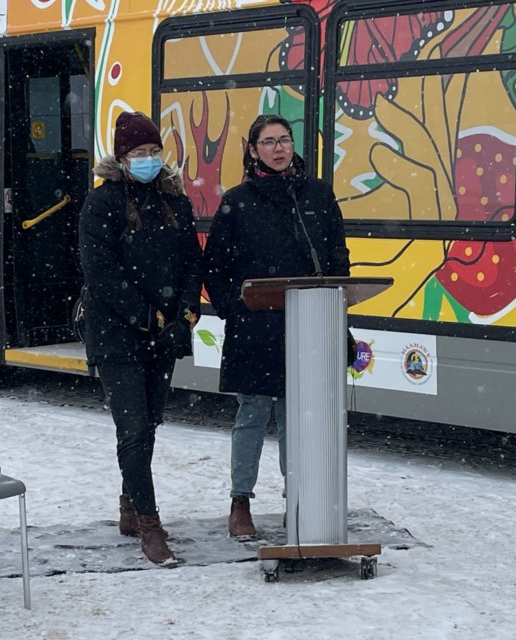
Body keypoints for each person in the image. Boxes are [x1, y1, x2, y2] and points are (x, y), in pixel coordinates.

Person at [204, 114, 350, 537]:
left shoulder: (319, 195)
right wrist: (234, 306)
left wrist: (335, 304)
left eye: (284, 140)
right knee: (251, 414)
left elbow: (338, 257)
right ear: (253, 150)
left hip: (308, 324)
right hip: (255, 328)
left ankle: (300, 499)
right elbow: (214, 266)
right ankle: (240, 501)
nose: (278, 148)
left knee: (298, 417)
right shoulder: (238, 200)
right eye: (268, 142)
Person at [79, 111, 202, 564]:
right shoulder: (102, 203)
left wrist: (185, 315)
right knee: (131, 428)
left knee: (149, 423)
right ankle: (150, 526)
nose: (149, 160)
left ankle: (130, 506)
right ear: (122, 157)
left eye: (154, 152)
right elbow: (102, 274)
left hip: (165, 333)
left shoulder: (175, 201)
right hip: (117, 335)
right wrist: (150, 318)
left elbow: (193, 261)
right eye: (139, 153)